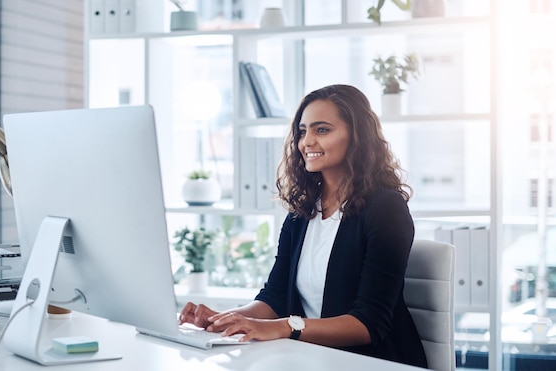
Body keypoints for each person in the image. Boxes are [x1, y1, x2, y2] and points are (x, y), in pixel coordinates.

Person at [179, 84, 427, 368]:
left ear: (357, 136)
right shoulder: (302, 212)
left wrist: (287, 326)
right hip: (310, 358)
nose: (307, 141)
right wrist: (223, 320)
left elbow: (368, 324)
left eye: (322, 130)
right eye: (302, 131)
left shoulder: (385, 208)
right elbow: (274, 298)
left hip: (373, 362)